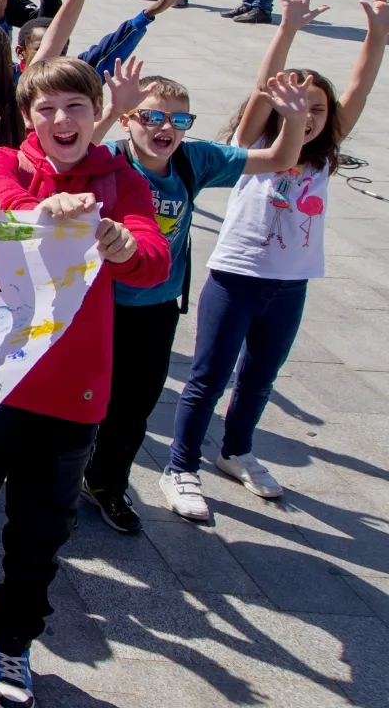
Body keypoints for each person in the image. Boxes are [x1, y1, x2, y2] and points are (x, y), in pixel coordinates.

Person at [0, 57, 167, 706]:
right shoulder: (2, 162)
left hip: (70, 402)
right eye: (46, 108)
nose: (60, 119)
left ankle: (14, 644)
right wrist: (50, 210)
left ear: (96, 113)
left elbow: (152, 257)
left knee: (39, 542)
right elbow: (2, 199)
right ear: (28, 117)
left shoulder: (123, 180)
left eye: (75, 106)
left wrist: (120, 244)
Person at [160, 0, 389, 520]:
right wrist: (285, 28)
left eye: (316, 107)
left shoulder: (323, 157)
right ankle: (181, 465)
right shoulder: (255, 147)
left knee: (260, 377)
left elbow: (357, 89)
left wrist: (376, 34)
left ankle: (235, 451)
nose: (305, 114)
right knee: (208, 378)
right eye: (296, 103)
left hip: (291, 284)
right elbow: (266, 89)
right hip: (235, 277)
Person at [78, 66, 310, 534]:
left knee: (135, 406)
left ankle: (106, 485)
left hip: (156, 307)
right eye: (154, 117)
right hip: (95, 305)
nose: (166, 129)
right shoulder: (109, 157)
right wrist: (109, 109)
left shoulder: (194, 161)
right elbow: (74, 152)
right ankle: (60, 482)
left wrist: (293, 120)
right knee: (84, 401)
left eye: (179, 121)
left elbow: (279, 158)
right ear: (129, 121)